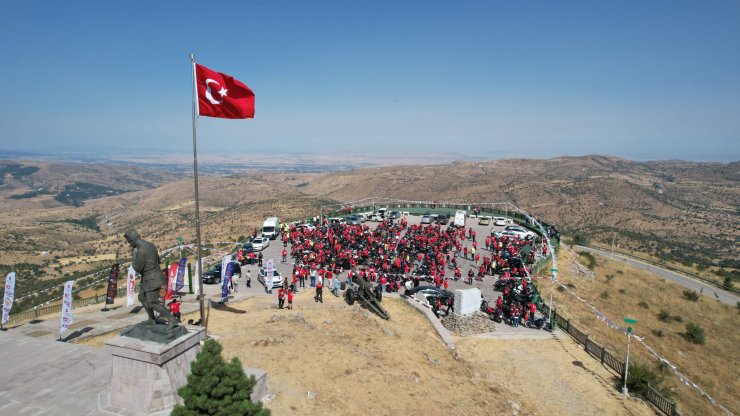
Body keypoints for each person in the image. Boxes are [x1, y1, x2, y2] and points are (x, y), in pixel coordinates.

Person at [124, 228, 177, 330]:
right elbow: (158, 260)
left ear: (131, 241)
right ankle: (152, 319)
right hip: (154, 276)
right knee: (142, 297)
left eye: (129, 242)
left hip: (151, 279)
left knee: (152, 303)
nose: (129, 244)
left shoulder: (140, 251)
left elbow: (137, 268)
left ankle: (171, 319)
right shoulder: (150, 244)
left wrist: (134, 255)